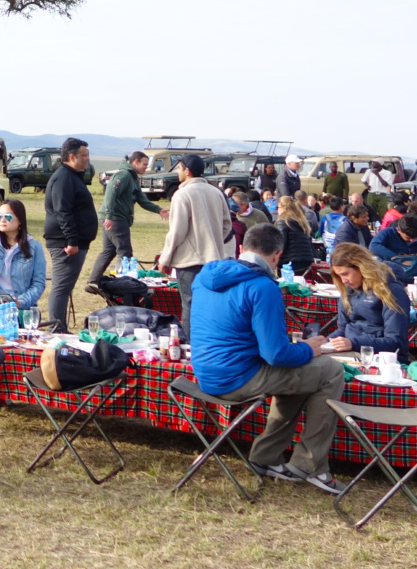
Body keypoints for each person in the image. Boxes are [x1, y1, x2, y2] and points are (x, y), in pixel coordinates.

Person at [190, 223, 345, 494]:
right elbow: (276, 354)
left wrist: (301, 354)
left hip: (205, 372)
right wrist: (310, 348)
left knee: (303, 372)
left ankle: (267, 456)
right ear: (277, 256)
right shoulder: (262, 286)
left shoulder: (204, 276)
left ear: (241, 248)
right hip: (238, 378)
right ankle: (310, 465)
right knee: (329, 370)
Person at [158, 154, 233, 338]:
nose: (177, 171)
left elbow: (177, 231)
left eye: (179, 168)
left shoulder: (182, 194)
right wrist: (211, 240)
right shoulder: (216, 192)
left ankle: (192, 347)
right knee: (211, 304)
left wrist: (165, 258)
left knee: (190, 304)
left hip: (190, 261)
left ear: (187, 171)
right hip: (214, 259)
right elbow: (227, 226)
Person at [86, 151, 169, 286]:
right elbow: (110, 194)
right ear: (135, 162)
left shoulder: (132, 177)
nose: (145, 168)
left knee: (109, 250)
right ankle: (124, 285)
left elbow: (142, 199)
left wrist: (158, 210)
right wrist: (109, 215)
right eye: (144, 164)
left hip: (114, 217)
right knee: (125, 253)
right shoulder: (123, 175)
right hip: (115, 218)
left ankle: (93, 281)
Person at [43, 137, 98, 333]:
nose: (87, 159)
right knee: (61, 287)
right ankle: (57, 330)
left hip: (73, 242)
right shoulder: (64, 178)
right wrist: (72, 240)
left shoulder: (72, 177)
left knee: (64, 288)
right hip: (66, 244)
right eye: (84, 156)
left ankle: (60, 327)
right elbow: (62, 211)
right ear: (72, 156)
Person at [327, 243, 409, 364]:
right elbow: (343, 330)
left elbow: (396, 342)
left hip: (379, 358)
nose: (343, 280)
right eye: (339, 276)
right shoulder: (349, 289)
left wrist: (353, 343)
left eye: (345, 274)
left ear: (361, 267)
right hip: (352, 351)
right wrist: (322, 343)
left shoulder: (391, 290)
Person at [275, 196, 314, 274]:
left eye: (278, 207)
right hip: (306, 261)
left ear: (283, 208)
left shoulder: (283, 221)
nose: (277, 210)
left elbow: (280, 243)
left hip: (289, 262)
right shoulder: (301, 222)